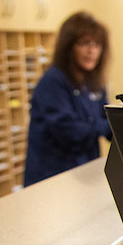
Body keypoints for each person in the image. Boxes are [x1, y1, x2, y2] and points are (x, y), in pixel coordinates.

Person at [23, 11, 112, 186]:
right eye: (84, 43)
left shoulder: (94, 82)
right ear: (69, 47)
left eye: (97, 45)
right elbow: (72, 132)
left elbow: (107, 120)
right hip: (52, 178)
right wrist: (105, 126)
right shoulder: (53, 82)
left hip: (84, 172)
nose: (91, 51)